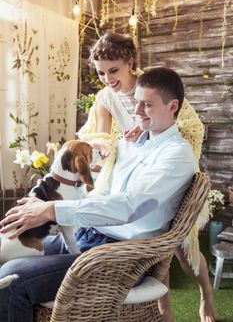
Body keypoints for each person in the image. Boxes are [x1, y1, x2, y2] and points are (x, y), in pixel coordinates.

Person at [0, 67, 195, 322]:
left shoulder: (176, 155)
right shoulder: (137, 143)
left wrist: (50, 210)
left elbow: (129, 206)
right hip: (86, 237)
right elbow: (103, 191)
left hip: (118, 256)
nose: (136, 112)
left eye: (147, 105)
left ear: (172, 106)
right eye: (136, 102)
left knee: (11, 280)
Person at [78, 32, 215, 322]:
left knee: (180, 249)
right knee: (150, 243)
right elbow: (104, 136)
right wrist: (108, 146)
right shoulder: (106, 97)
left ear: (130, 62)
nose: (107, 79)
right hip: (134, 171)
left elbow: (189, 129)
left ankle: (205, 293)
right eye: (101, 73)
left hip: (168, 170)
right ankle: (162, 311)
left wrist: (150, 132)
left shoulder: (155, 86)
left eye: (113, 71)